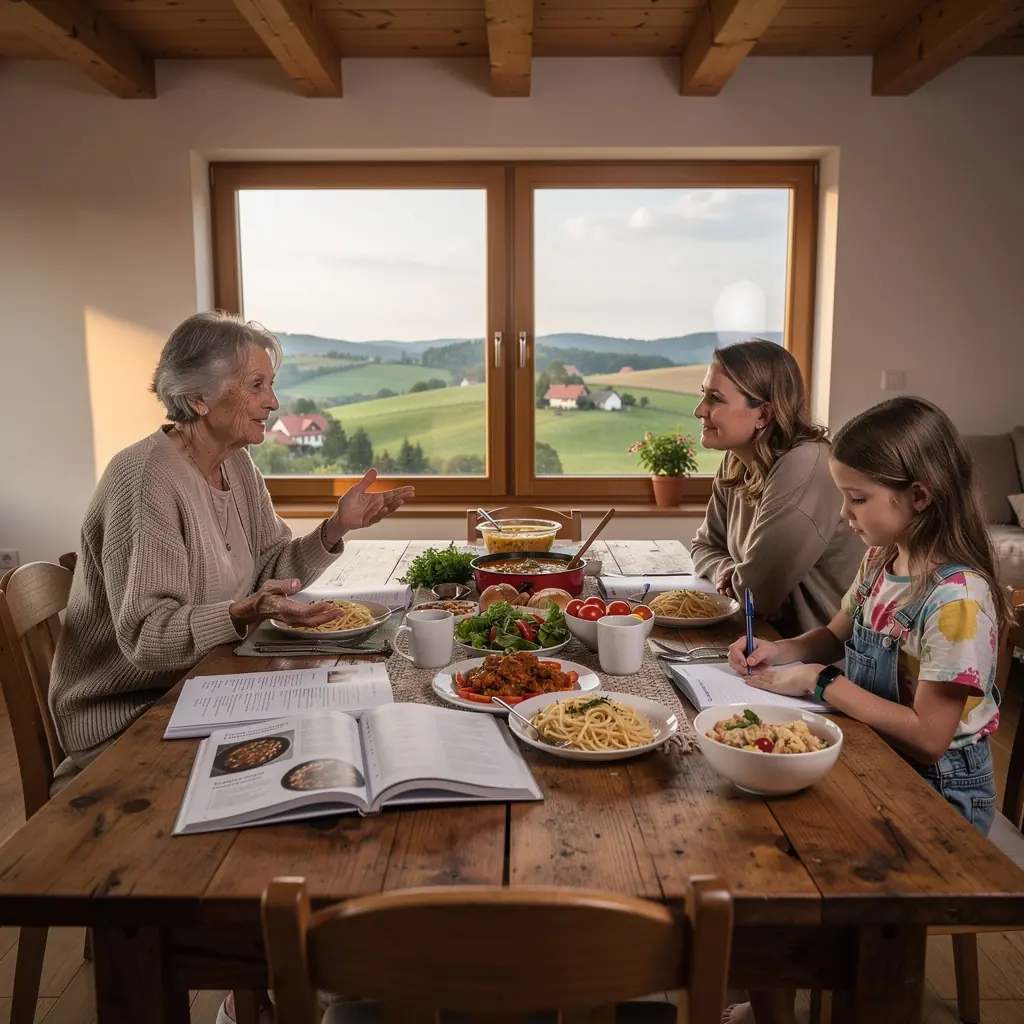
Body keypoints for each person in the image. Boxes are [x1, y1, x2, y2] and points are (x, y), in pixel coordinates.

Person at [723, 395, 1010, 1024]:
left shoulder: (959, 598)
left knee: (784, 859)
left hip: (936, 795)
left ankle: (810, 986)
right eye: (842, 495)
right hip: (871, 751)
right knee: (748, 836)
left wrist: (822, 684)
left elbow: (932, 736)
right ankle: (773, 997)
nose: (846, 514)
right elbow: (830, 635)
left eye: (857, 499)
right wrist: (778, 649)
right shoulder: (883, 560)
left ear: (919, 497)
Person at [49, 311, 414, 790]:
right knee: (319, 742)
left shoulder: (236, 464)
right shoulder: (143, 481)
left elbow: (272, 566)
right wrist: (244, 611)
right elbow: (147, 637)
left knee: (348, 720)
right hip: (133, 711)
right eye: (256, 385)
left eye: (272, 384)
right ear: (199, 398)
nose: (274, 401)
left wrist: (335, 528)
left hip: (208, 684)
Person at [690, 340, 863, 635]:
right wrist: (729, 572)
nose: (699, 410)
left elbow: (755, 596)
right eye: (703, 395)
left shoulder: (806, 465)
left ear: (764, 414)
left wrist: (747, 586)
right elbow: (704, 546)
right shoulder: (736, 460)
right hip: (764, 643)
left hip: (821, 662)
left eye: (715, 399)